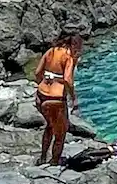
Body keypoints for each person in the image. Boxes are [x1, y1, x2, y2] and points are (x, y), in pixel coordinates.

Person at [34, 32, 82, 167]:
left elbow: (38, 73)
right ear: (74, 45)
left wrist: (44, 85)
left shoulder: (51, 51)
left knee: (49, 126)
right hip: (56, 99)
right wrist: (73, 98)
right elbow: (68, 80)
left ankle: (43, 157)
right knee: (60, 134)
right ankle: (54, 161)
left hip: (41, 96)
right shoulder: (68, 57)